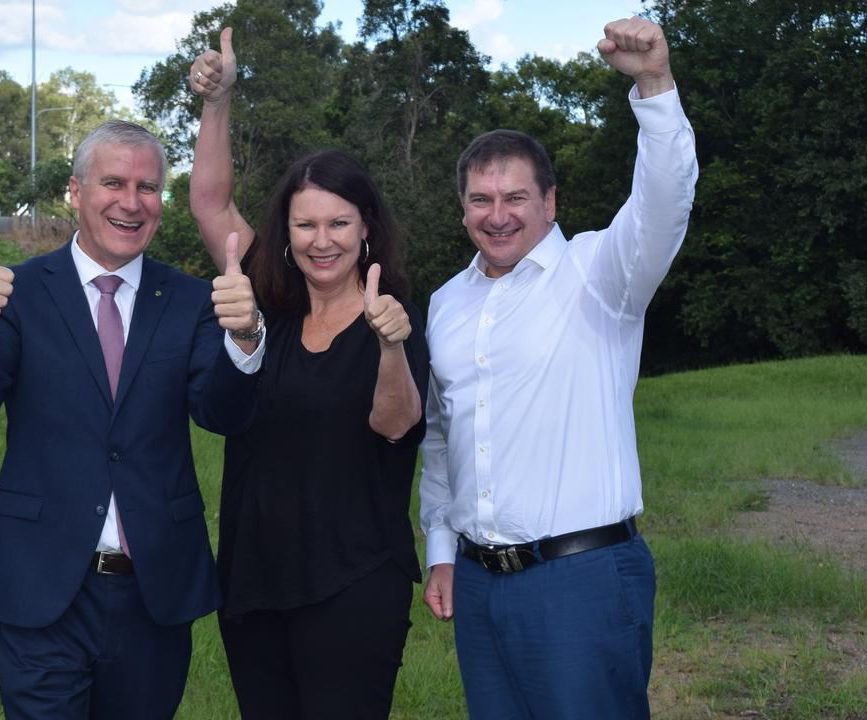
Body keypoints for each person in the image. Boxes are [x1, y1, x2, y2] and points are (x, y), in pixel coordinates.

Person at [0, 119, 265, 719]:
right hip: (39, 585)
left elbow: (223, 416)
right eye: (113, 182)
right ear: (76, 191)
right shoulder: (19, 292)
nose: (131, 203)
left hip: (151, 590)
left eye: (147, 187)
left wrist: (245, 338)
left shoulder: (189, 300)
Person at [418, 17, 698, 719]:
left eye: (516, 197)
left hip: (584, 581)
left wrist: (655, 86)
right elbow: (442, 436)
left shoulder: (599, 273)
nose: (498, 215)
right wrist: (442, 548)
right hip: (481, 585)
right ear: (463, 210)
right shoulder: (447, 303)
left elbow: (663, 204)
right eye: (481, 200)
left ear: (550, 202)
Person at [188, 28, 427, 719]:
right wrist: (220, 100)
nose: (322, 240)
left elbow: (395, 425)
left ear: (366, 230)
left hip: (353, 585)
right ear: (285, 233)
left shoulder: (393, 316)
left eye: (339, 223)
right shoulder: (270, 305)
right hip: (254, 581)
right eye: (305, 225)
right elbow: (208, 201)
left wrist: (387, 347)